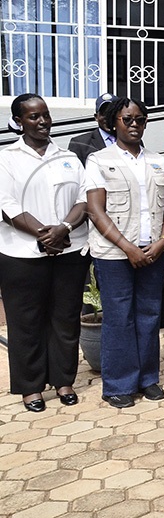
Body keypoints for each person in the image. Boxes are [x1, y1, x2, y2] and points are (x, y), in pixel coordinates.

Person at [0, 94, 90, 412]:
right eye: (33, 116)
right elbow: (8, 205)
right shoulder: (7, 158)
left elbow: (84, 198)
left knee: (65, 318)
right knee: (27, 321)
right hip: (22, 253)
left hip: (69, 249)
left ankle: (63, 379)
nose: (42, 121)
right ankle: (31, 387)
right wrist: (43, 234)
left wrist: (63, 228)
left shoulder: (66, 157)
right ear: (19, 121)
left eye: (45, 115)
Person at [86, 97, 164, 409]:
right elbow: (96, 211)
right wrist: (127, 248)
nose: (134, 124)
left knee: (150, 314)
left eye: (140, 119)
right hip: (114, 254)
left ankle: (148, 378)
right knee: (119, 317)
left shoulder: (158, 161)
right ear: (114, 123)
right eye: (127, 119)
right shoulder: (99, 160)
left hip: (152, 250)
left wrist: (163, 240)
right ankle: (118, 384)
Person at [68, 92, 117, 164]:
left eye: (112, 113)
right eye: (103, 113)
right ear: (96, 117)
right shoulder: (79, 143)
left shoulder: (130, 140)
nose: (108, 117)